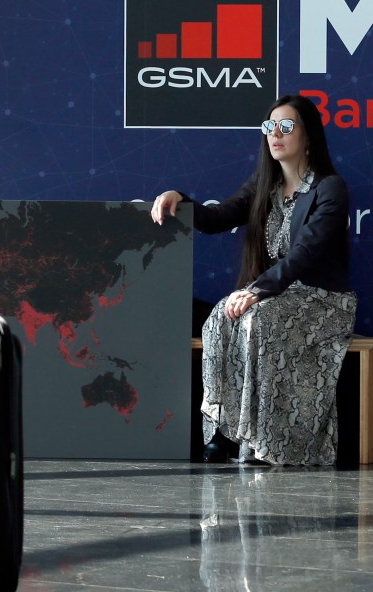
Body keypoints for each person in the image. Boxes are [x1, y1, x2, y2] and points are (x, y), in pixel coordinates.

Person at [151, 94, 358, 467]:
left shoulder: (330, 189)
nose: (275, 135)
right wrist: (179, 198)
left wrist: (257, 290)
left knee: (260, 318)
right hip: (272, 294)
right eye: (269, 127)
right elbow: (218, 218)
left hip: (323, 301)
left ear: (308, 136)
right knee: (219, 318)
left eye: (286, 127)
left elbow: (305, 254)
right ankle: (222, 432)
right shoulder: (263, 185)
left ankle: (267, 443)